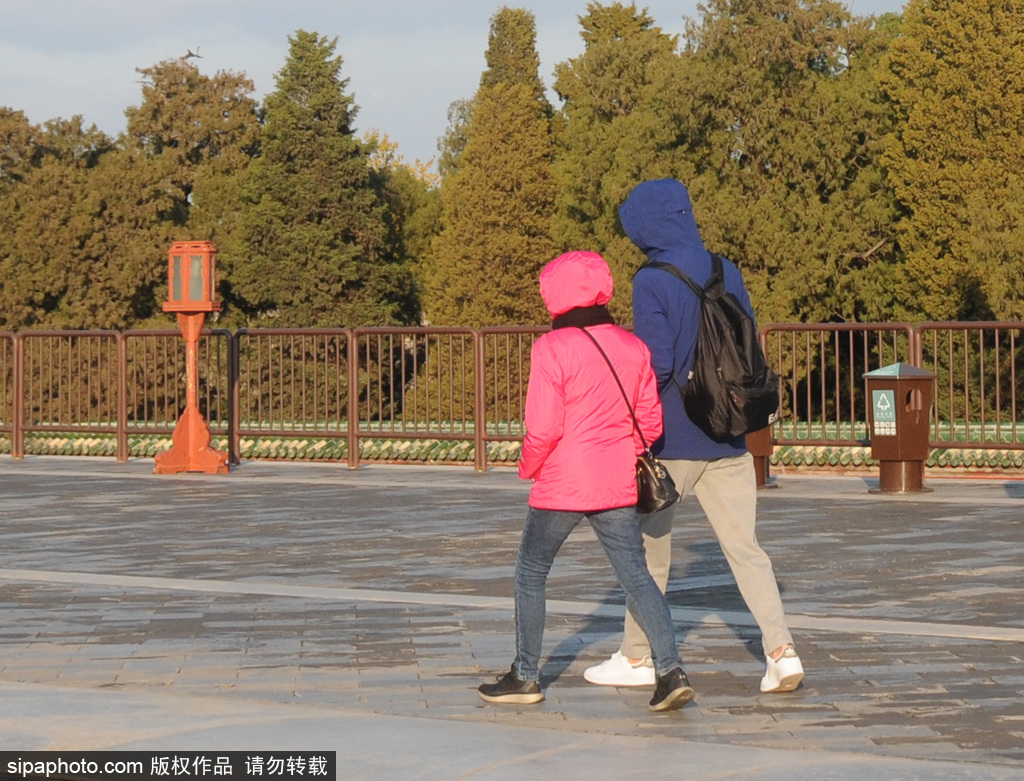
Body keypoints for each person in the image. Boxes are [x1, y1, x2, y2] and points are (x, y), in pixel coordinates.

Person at [583, 179, 805, 694]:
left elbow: (656, 362)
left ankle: (638, 657)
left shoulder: (650, 279)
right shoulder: (725, 268)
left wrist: (631, 417)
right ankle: (781, 652)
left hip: (670, 439)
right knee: (746, 549)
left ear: (646, 225)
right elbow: (745, 335)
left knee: (648, 555)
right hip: (727, 433)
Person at [477, 250, 695, 712]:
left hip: (562, 482)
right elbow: (650, 423)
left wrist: (527, 466)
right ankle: (670, 669)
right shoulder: (632, 346)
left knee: (532, 573)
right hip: (616, 483)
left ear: (553, 294)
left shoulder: (551, 348)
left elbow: (543, 427)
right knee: (636, 576)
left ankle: (525, 675)